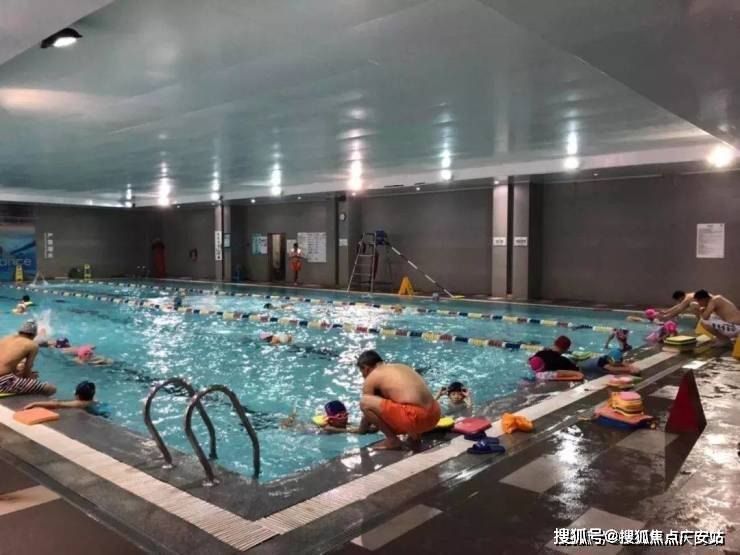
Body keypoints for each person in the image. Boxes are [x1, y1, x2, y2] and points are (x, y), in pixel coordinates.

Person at [355, 350, 440, 450]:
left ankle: (392, 440)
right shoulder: (401, 367)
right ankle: (415, 437)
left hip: (417, 419)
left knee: (364, 402)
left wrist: (361, 431)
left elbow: (367, 411)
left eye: (362, 373)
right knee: (400, 400)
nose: (363, 376)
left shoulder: (372, 376)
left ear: (365, 368)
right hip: (435, 415)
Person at [0, 321, 56, 396]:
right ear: (34, 335)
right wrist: (31, 379)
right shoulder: (32, 345)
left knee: (22, 372)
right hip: (3, 381)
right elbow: (27, 372)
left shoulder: (7, 338)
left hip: (4, 375)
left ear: (20, 331)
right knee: (51, 388)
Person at [23, 381, 110, 417]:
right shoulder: (92, 399)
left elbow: (58, 405)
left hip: (99, 414)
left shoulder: (79, 404)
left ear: (77, 395)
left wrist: (34, 404)